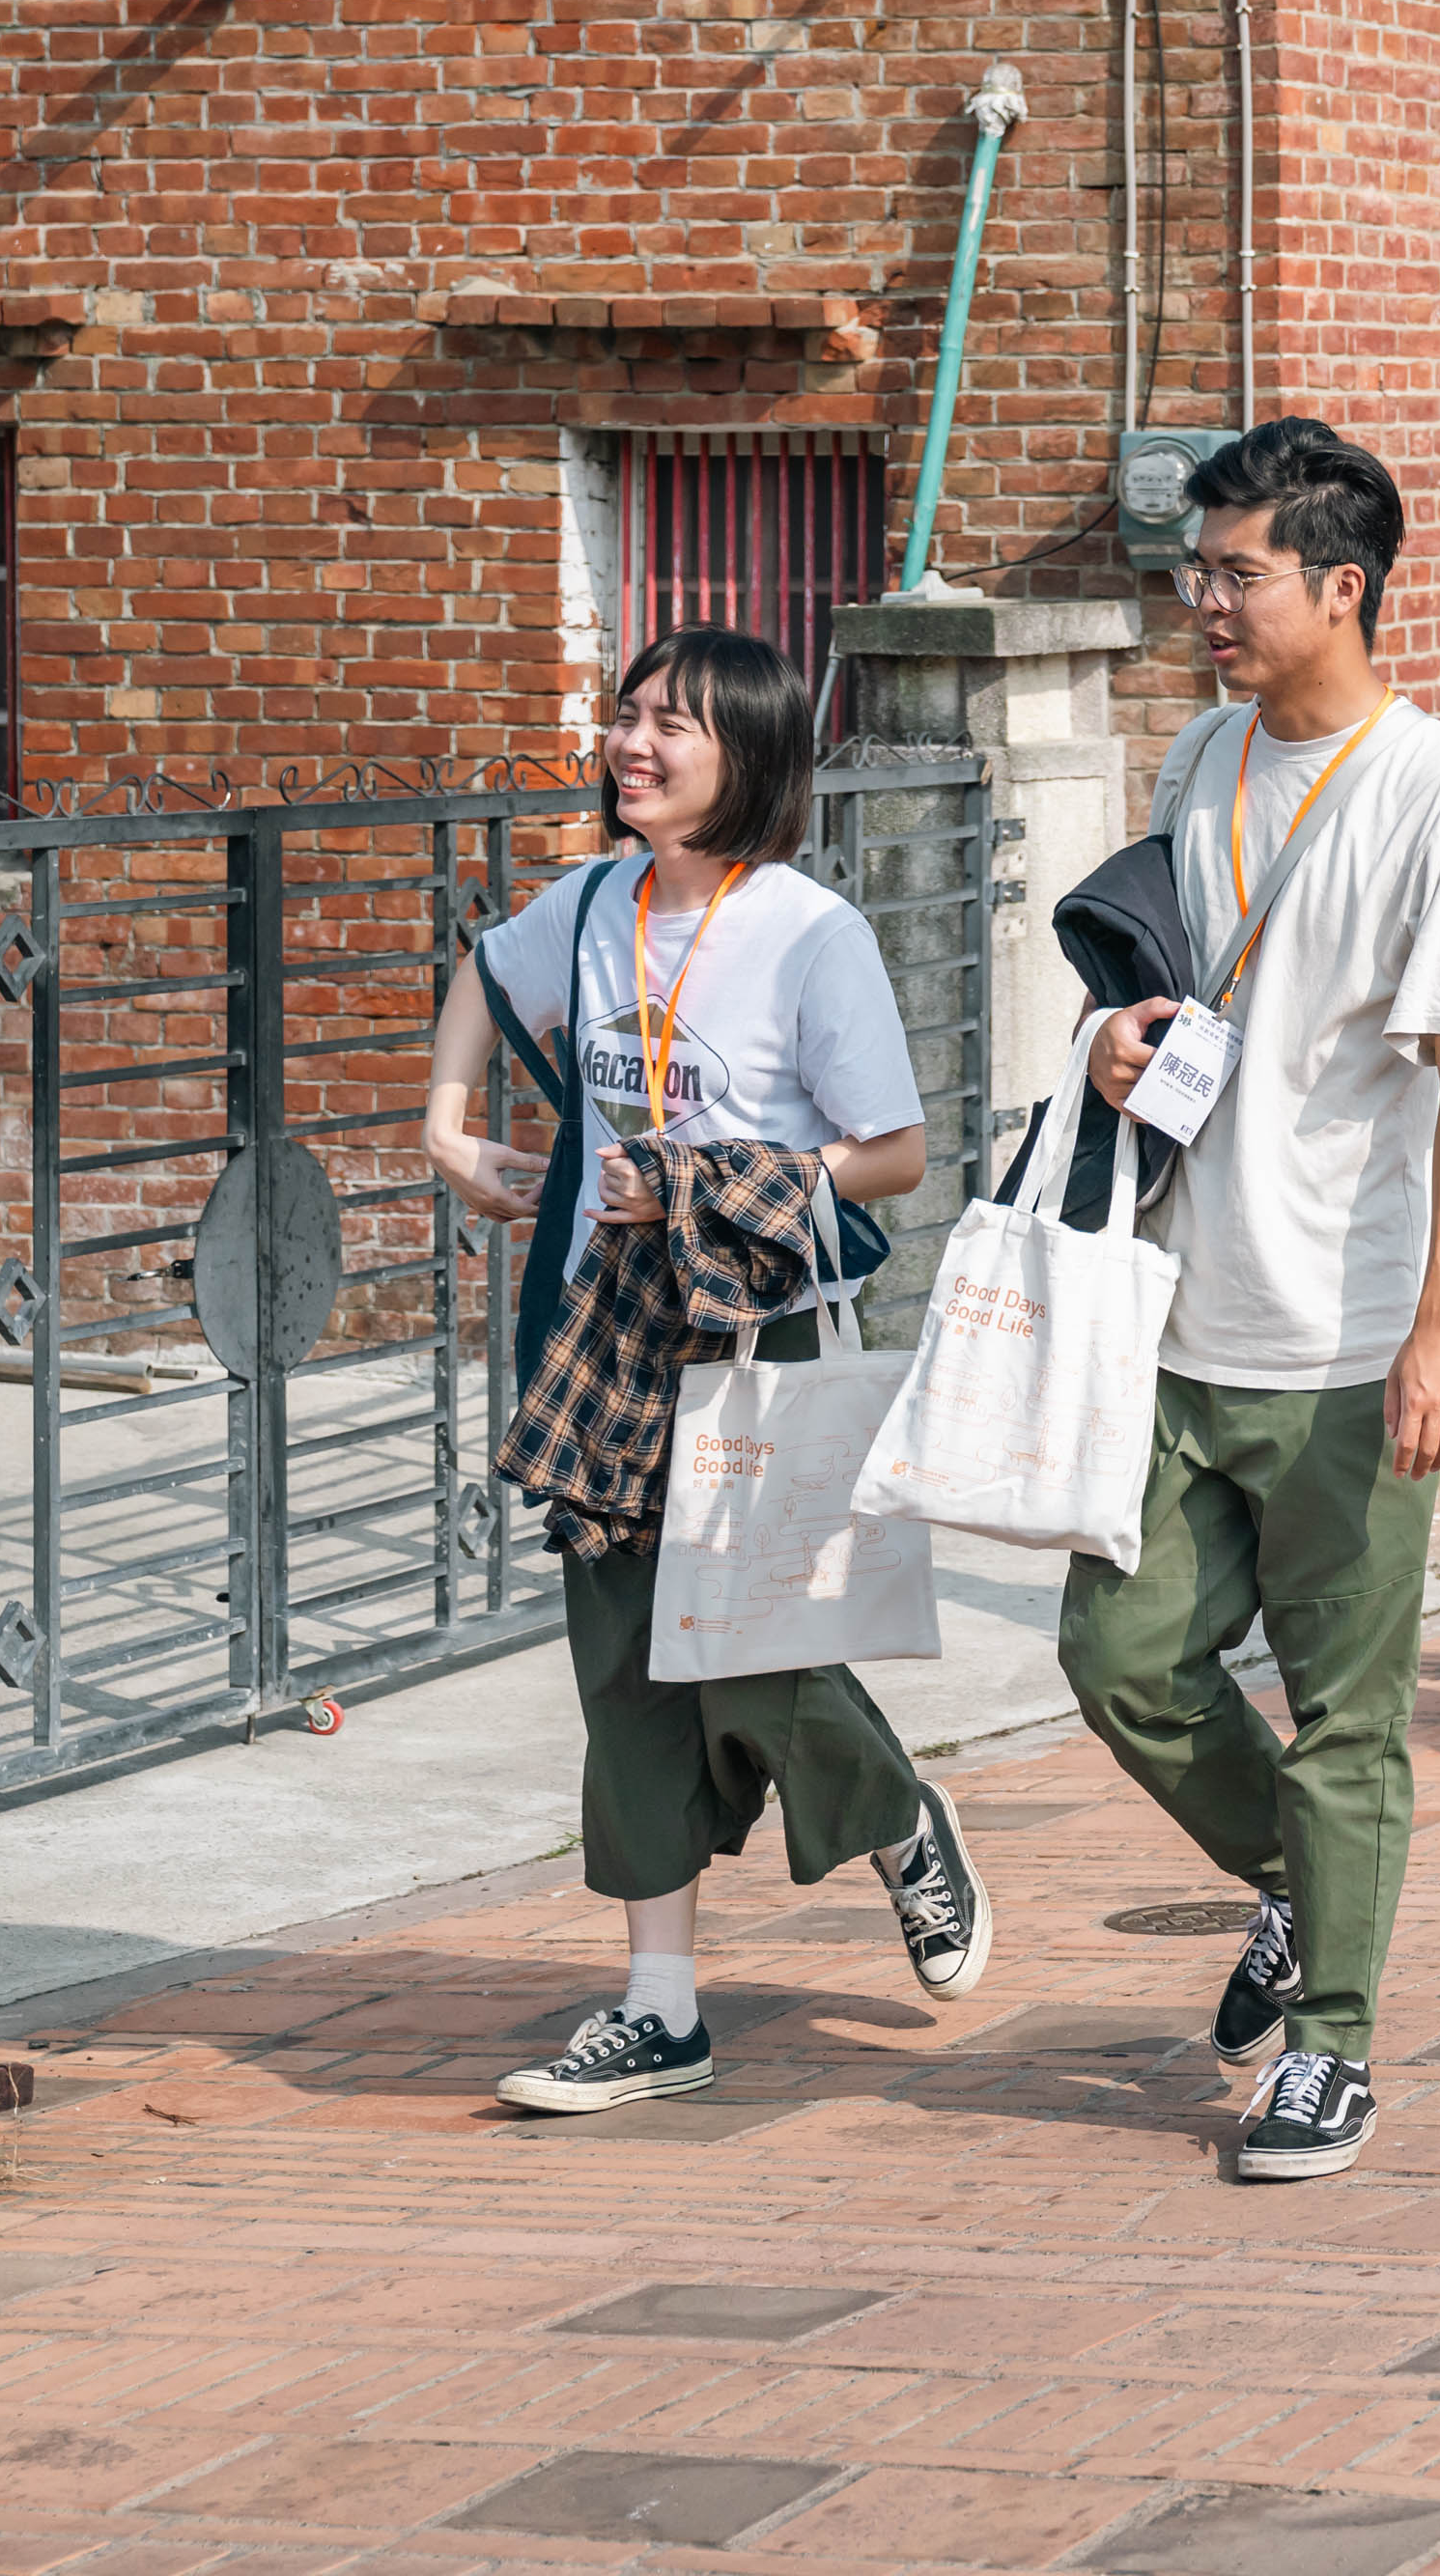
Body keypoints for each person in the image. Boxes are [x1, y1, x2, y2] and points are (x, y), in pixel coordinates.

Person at [429, 625, 972, 2114]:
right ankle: (658, 2007)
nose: (633, 744)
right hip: (602, 1332)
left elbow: (896, 1158)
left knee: (749, 1646)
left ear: (751, 757)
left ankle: (898, 1818)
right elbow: (486, 976)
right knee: (621, 1667)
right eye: (628, 714)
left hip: (748, 1327)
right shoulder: (593, 901)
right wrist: (445, 1117)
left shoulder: (809, 932)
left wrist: (703, 1185)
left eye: (673, 725)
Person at [1066, 419, 1440, 2184]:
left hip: (1345, 1339)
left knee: (1350, 1711)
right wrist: (1115, 1041)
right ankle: (1293, 1884)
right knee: (1118, 1659)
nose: (1207, 606)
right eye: (1201, 573)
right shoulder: (1194, 752)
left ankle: (1329, 2044)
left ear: (1344, 587)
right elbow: (1167, 979)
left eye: (1238, 574)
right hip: (1174, 1309)